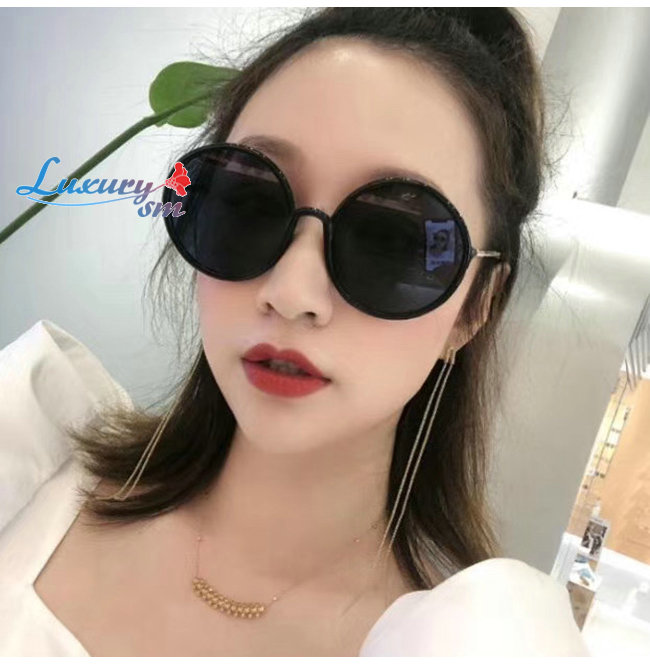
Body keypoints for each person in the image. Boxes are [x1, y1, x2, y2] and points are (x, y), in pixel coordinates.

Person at [0, 7, 590, 656]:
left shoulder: (453, 646)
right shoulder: (24, 468)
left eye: (391, 240)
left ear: (476, 306)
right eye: (249, 203)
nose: (291, 292)